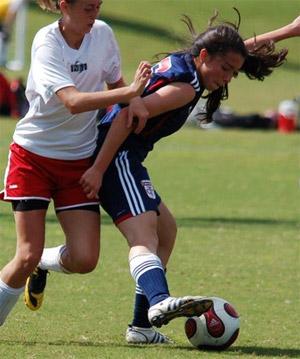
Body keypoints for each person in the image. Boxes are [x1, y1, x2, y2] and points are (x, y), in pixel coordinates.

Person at [26, 11, 300, 345]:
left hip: (125, 157)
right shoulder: (184, 89)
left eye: (233, 71)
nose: (228, 77)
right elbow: (126, 116)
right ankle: (158, 302)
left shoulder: (193, 61)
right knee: (144, 236)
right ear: (204, 57)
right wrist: (98, 169)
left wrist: (289, 30)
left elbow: (234, 49)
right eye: (226, 70)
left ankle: (140, 327)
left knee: (166, 230)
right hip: (117, 157)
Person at [0, 0, 152, 328]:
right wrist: (130, 91)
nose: (94, 14)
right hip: (33, 157)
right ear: (64, 6)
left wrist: (135, 99)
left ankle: (42, 262)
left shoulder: (102, 34)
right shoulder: (47, 42)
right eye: (87, 7)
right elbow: (72, 102)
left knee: (84, 259)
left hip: (77, 161)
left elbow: (114, 79)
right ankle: (31, 263)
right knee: (24, 254)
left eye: (98, 6)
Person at [0, 0, 27, 67]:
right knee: (4, 37)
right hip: (2, 16)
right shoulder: (18, 1)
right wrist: (7, 27)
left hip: (1, 17)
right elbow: (11, 13)